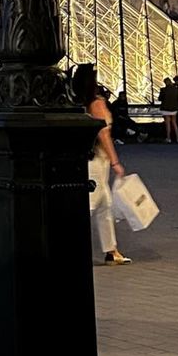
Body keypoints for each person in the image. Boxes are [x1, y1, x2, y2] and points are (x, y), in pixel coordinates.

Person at [71, 63, 130, 265]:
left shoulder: (77, 101)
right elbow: (104, 134)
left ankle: (111, 251)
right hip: (96, 162)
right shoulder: (96, 104)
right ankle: (69, 247)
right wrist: (115, 162)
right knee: (89, 206)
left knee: (105, 206)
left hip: (92, 160)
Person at [159, 76, 178, 142]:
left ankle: (168, 138)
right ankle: (177, 138)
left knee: (167, 123)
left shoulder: (163, 90)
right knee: (174, 123)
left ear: (165, 83)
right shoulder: (176, 89)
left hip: (165, 108)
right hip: (174, 108)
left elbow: (160, 99)